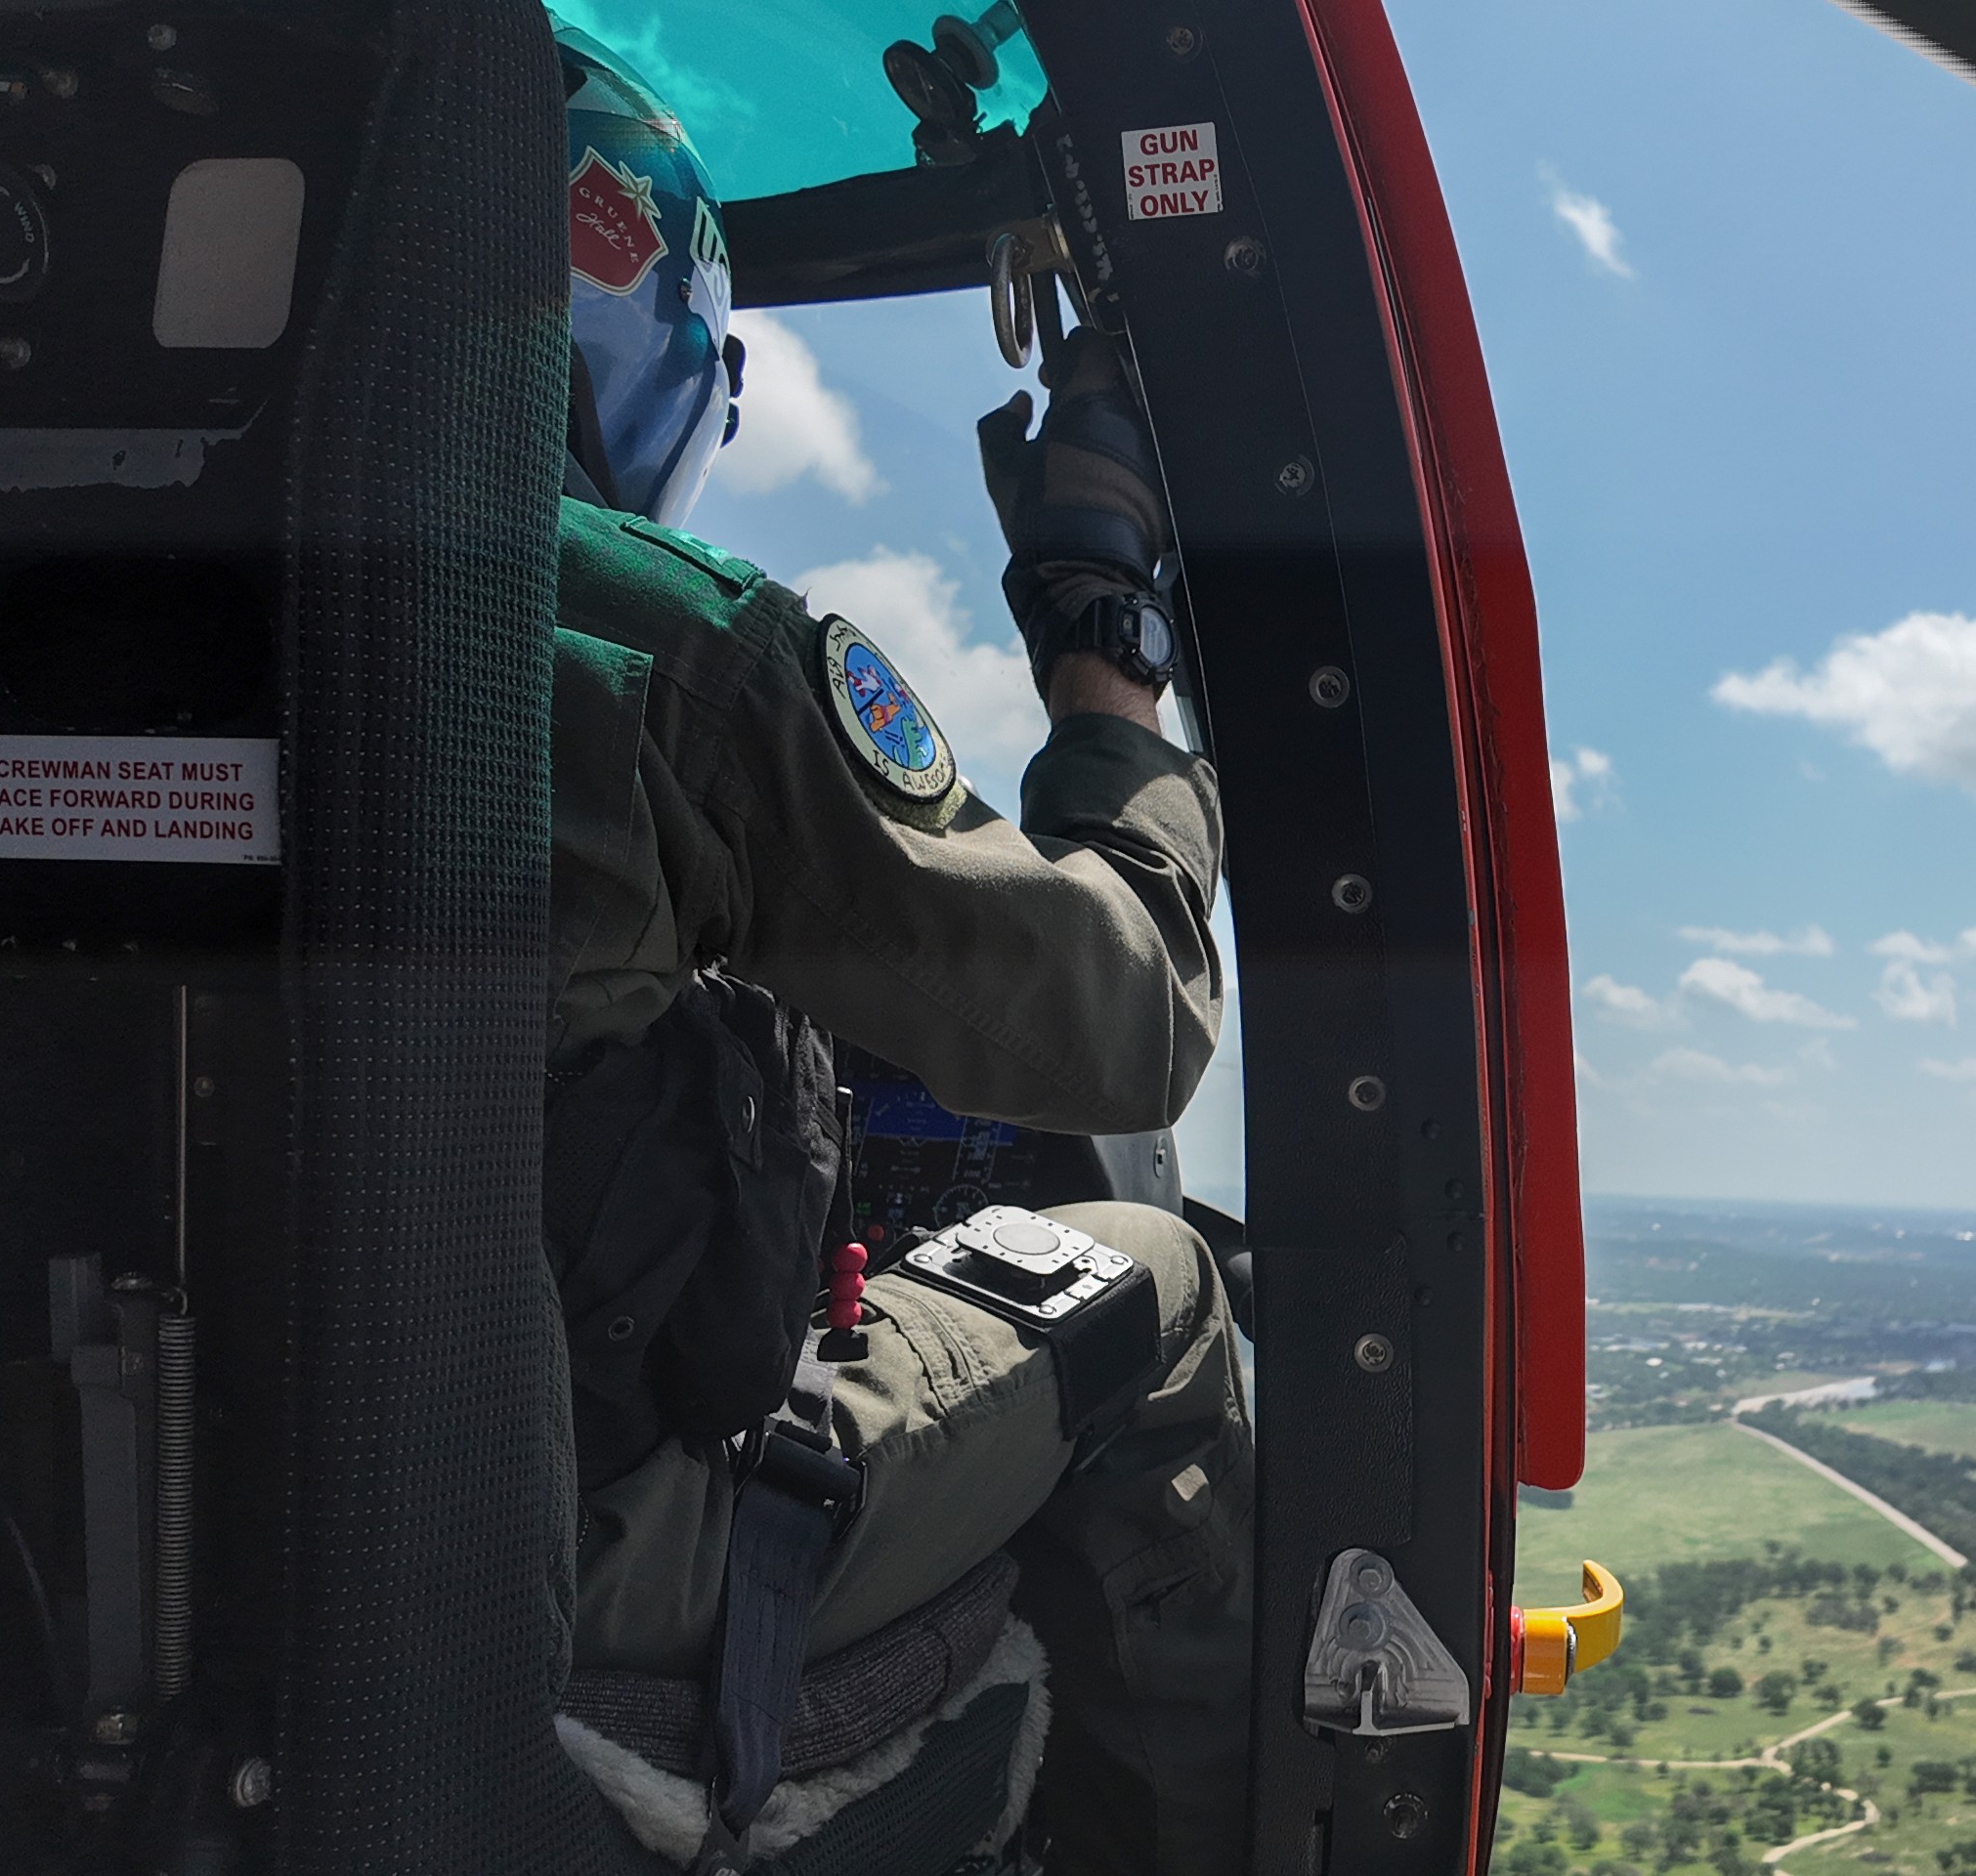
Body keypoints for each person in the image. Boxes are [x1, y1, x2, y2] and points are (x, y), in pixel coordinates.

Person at [536, 28, 1245, 1876]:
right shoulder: (641, 638)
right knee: (1161, 1281)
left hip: (18, 1510)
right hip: (549, 1548)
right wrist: (1106, 662)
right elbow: (1129, 1019)